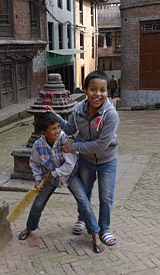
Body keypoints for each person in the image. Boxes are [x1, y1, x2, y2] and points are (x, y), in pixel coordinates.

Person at [46, 70, 119, 247]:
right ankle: (82, 219)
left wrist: (74, 147)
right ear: (85, 90)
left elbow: (101, 144)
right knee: (84, 194)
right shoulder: (79, 109)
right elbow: (70, 128)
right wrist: (56, 117)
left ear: (107, 92)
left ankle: (105, 229)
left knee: (106, 197)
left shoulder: (110, 114)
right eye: (93, 89)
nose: (98, 94)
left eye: (102, 90)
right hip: (86, 161)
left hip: (107, 162)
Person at [18, 112, 104, 253]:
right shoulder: (38, 146)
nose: (58, 130)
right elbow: (34, 162)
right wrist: (38, 178)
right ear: (44, 132)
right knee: (37, 204)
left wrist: (51, 174)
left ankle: (95, 234)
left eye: (59, 126)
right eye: (53, 129)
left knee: (83, 202)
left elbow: (70, 165)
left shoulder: (64, 140)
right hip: (49, 179)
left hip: (69, 177)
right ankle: (29, 227)